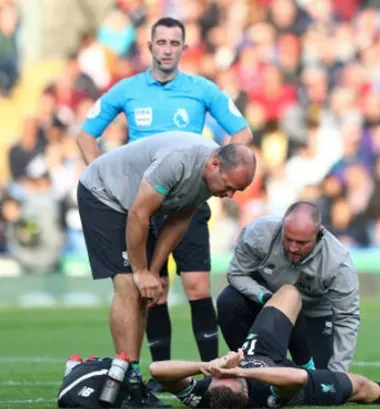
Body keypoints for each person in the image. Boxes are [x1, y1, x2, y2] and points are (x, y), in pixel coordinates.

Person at [76, 16, 253, 393]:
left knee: (191, 286)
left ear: (184, 49)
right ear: (151, 46)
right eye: (162, 42)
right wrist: (110, 180)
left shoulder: (203, 93)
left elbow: (243, 134)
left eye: (176, 43)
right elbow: (87, 136)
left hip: (185, 190)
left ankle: (205, 372)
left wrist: (151, 269)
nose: (168, 49)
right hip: (136, 198)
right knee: (134, 286)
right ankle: (145, 377)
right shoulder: (127, 90)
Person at [77, 131, 256, 408]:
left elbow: (179, 220)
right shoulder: (179, 163)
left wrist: (155, 270)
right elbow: (138, 213)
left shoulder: (210, 177)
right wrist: (140, 271)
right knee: (128, 284)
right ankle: (127, 383)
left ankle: (131, 382)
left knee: (144, 288)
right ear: (215, 165)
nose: (230, 195)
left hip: (135, 207)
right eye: (229, 186)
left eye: (237, 191)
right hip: (104, 195)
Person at [149, 285, 380, 408]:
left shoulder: (204, 396)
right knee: (361, 387)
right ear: (245, 392)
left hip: (260, 352)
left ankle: (305, 351)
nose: (224, 374)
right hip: (288, 380)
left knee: (289, 293)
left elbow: (156, 369)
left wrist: (207, 367)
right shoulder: (265, 395)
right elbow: (297, 378)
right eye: (229, 378)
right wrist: (240, 371)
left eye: (220, 378)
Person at [216, 201, 360, 373]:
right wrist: (266, 298)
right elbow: (236, 273)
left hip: (313, 314)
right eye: (288, 239)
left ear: (319, 233)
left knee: (319, 382)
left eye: (301, 243)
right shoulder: (258, 233)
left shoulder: (337, 262)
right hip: (266, 305)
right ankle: (247, 366)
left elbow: (347, 318)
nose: (293, 248)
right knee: (228, 301)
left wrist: (338, 375)